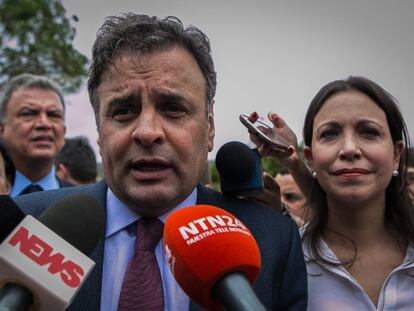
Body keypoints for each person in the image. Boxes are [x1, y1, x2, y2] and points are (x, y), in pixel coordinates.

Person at [15, 13, 307, 311]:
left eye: (173, 108)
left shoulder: (272, 239)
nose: (147, 132)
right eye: (124, 111)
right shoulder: (25, 229)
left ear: (210, 129)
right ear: (99, 133)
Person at [252, 76, 414, 310]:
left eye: (369, 132)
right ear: (311, 158)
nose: (349, 149)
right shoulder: (282, 263)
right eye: (329, 134)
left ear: (396, 155)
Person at [0, 73, 72, 196]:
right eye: (28, 113)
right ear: (2, 130)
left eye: (53, 115)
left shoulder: (82, 203)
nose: (44, 123)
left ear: (64, 132)